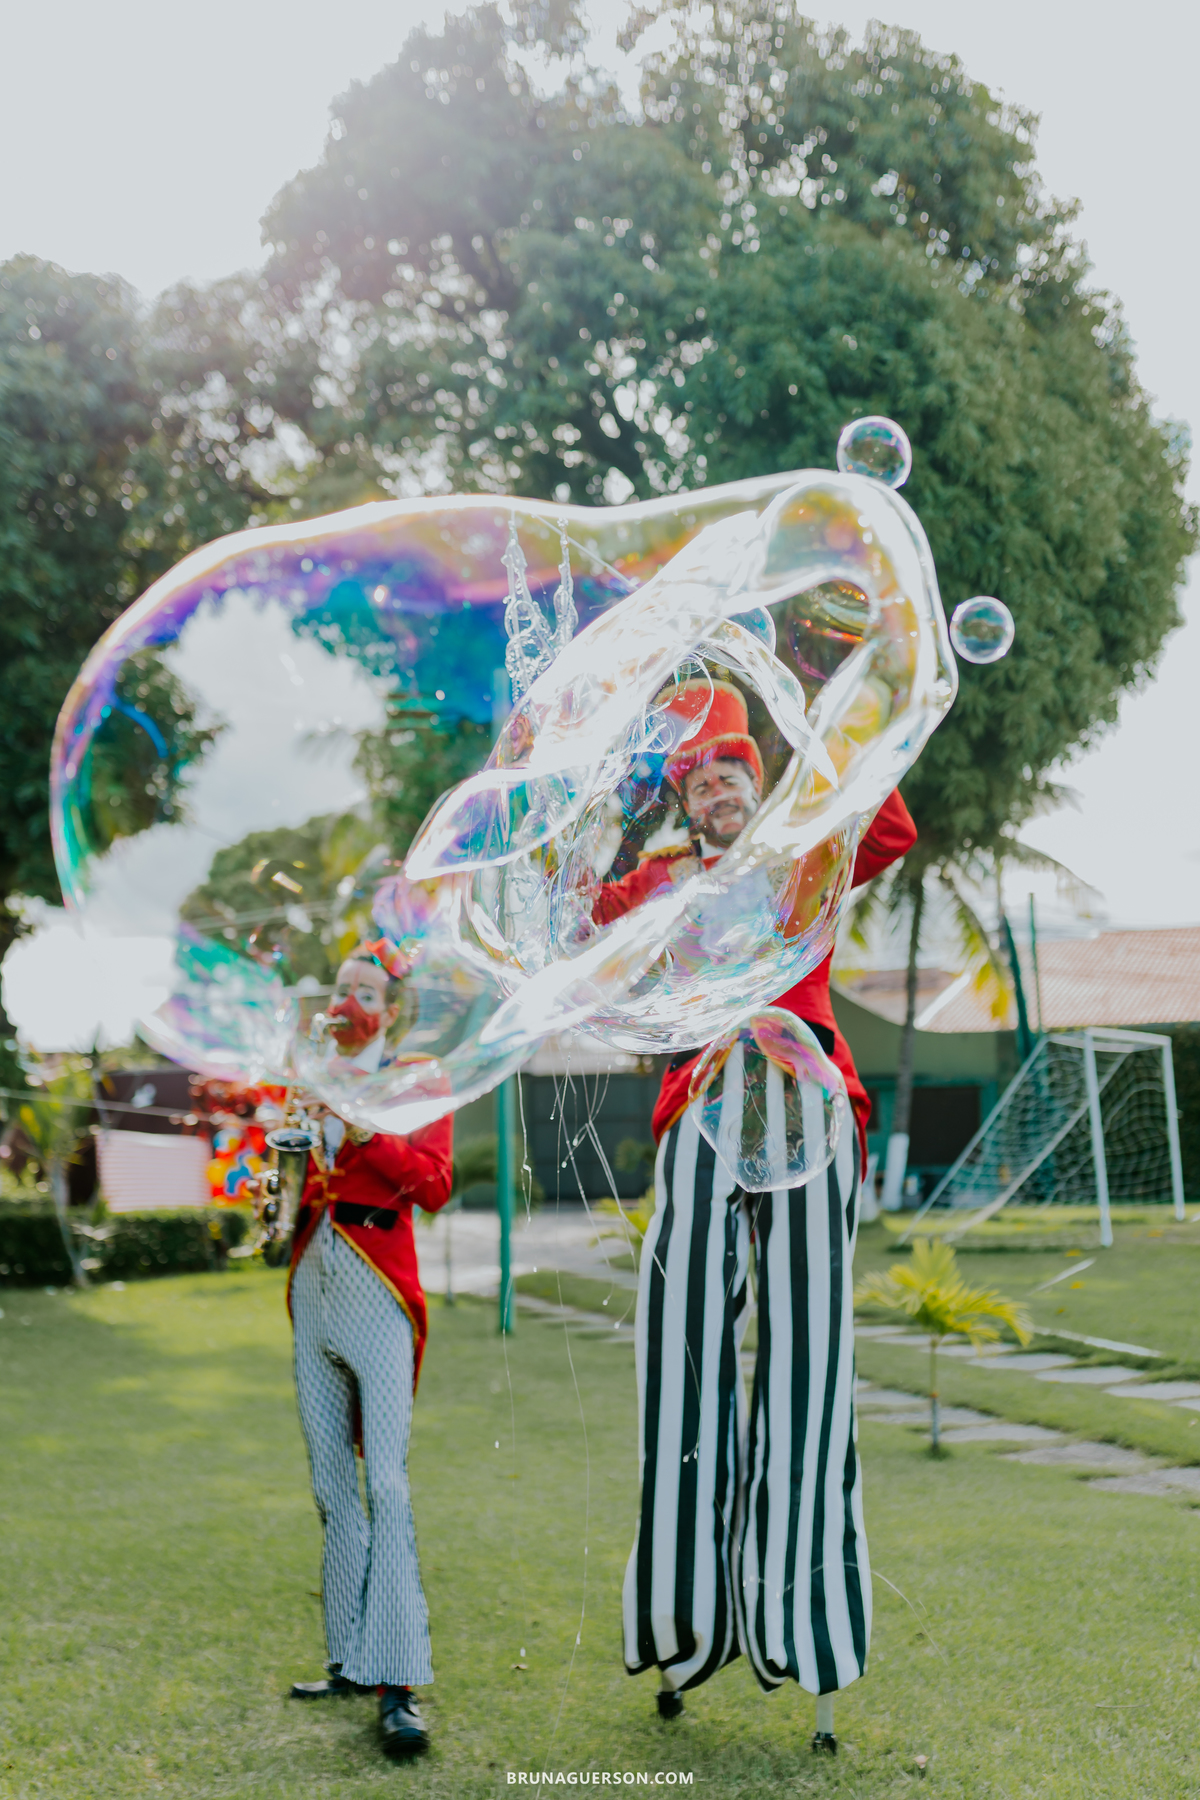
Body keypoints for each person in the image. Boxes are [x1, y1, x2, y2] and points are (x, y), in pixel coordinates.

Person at [596, 677, 916, 1746]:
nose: (720, 787)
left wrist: (846, 712)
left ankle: (809, 1632)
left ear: (758, 779)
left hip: (812, 1103)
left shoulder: (805, 853)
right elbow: (584, 931)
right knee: (679, 1363)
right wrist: (616, 787)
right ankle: (683, 1634)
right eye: (701, 778)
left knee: (810, 1368)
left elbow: (896, 828)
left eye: (734, 770)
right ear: (684, 800)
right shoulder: (659, 882)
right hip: (701, 1108)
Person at [283, 941, 453, 1759]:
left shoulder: (417, 1077)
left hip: (378, 1287)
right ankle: (351, 1660)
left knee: (385, 1481)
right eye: (341, 989)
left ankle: (400, 1686)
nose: (347, 1003)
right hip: (311, 1288)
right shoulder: (311, 1074)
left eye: (365, 993)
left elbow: (435, 1182)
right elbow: (295, 1181)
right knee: (329, 1485)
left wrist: (358, 1129)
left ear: (391, 1011)